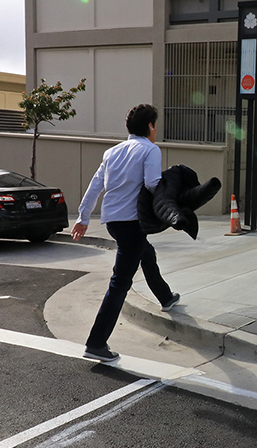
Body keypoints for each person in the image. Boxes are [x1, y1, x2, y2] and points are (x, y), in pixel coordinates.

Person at [71, 104, 179, 364]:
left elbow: (95, 185)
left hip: (113, 222)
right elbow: (153, 184)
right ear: (150, 126)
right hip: (133, 222)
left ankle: (166, 297)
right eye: (156, 124)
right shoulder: (150, 150)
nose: (157, 129)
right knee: (120, 282)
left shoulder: (112, 152)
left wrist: (83, 218)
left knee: (146, 253)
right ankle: (96, 343)